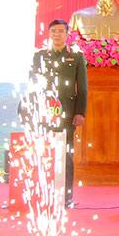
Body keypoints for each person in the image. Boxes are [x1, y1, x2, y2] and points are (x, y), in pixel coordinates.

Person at [30, 19, 88, 207]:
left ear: (67, 34)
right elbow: (33, 84)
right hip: (44, 113)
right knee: (45, 152)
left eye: (61, 31)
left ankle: (67, 196)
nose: (57, 34)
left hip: (67, 114)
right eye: (53, 31)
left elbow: (82, 88)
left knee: (66, 155)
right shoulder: (39, 56)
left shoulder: (76, 56)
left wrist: (80, 112)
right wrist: (33, 110)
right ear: (49, 34)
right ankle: (45, 193)